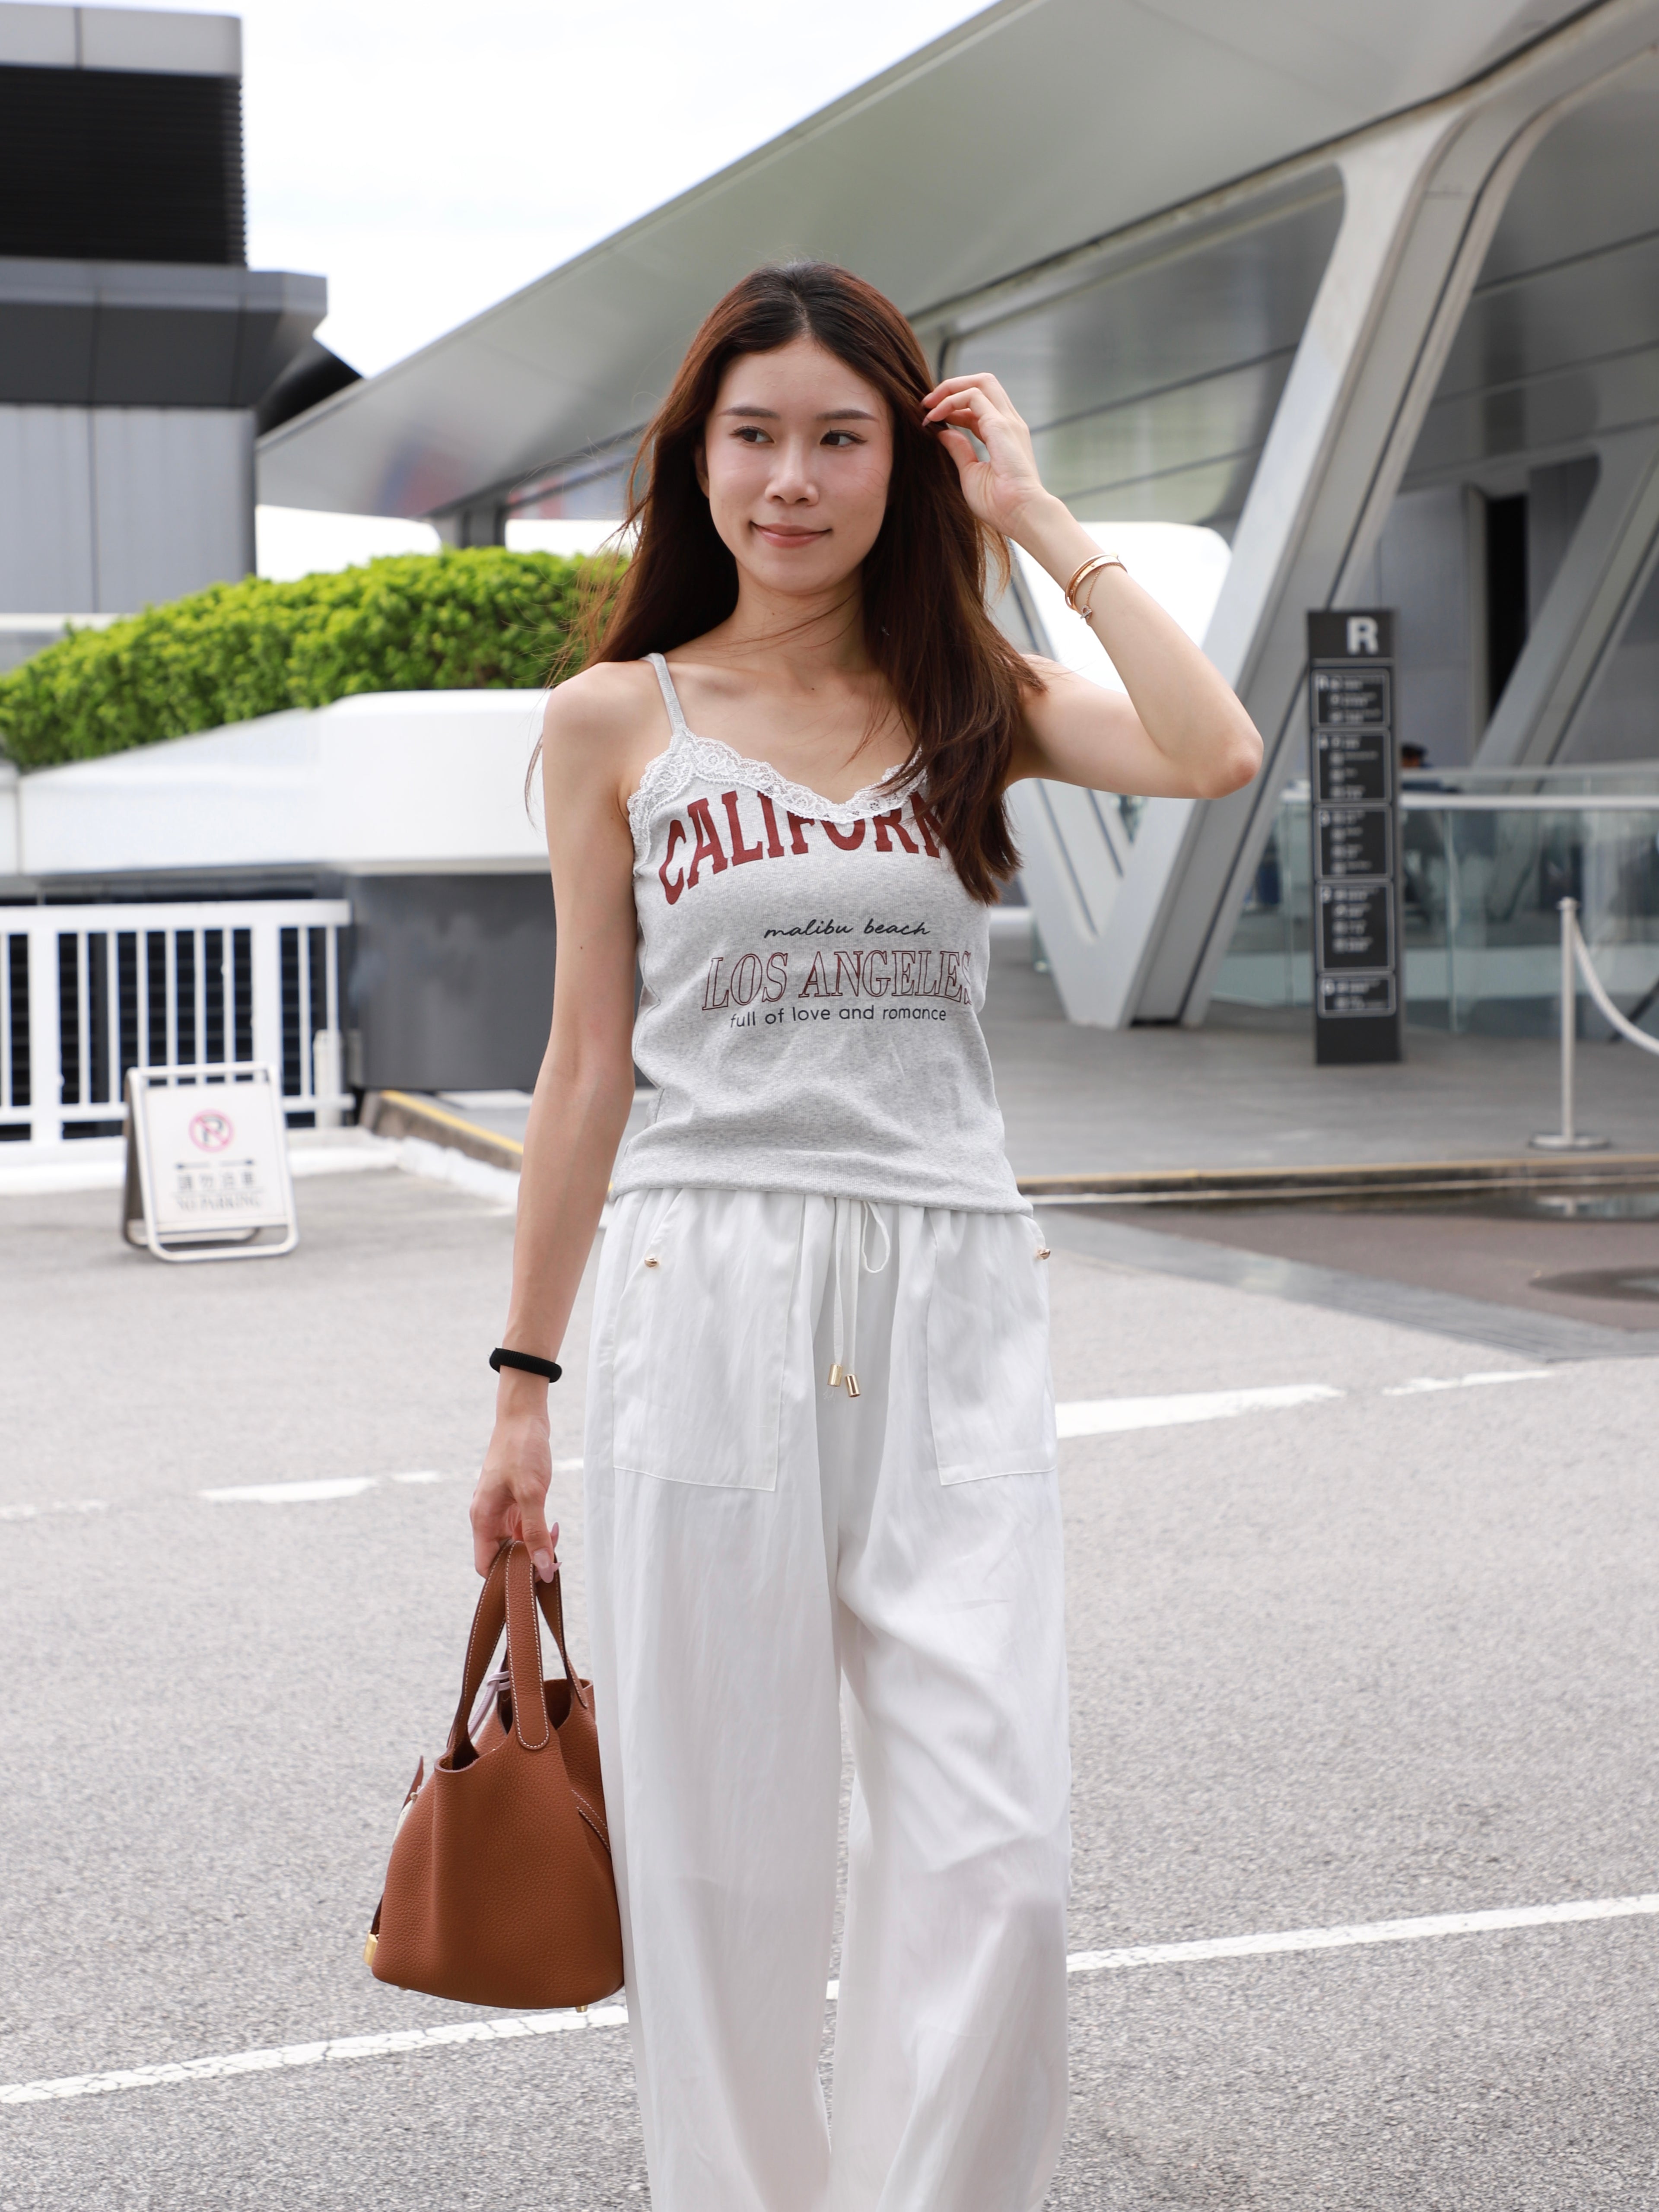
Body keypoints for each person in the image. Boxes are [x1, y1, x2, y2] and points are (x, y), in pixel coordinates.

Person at [470, 261, 1261, 2212]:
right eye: (757, 436)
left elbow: (1212, 747)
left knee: (998, 1856)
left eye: (841, 438)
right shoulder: (612, 719)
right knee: (720, 1858)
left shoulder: (968, 700)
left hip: (947, 1283)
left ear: (903, 464)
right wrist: (518, 1389)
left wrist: (1040, 523)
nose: (794, 480)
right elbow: (584, 1070)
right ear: (695, 458)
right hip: (699, 1278)